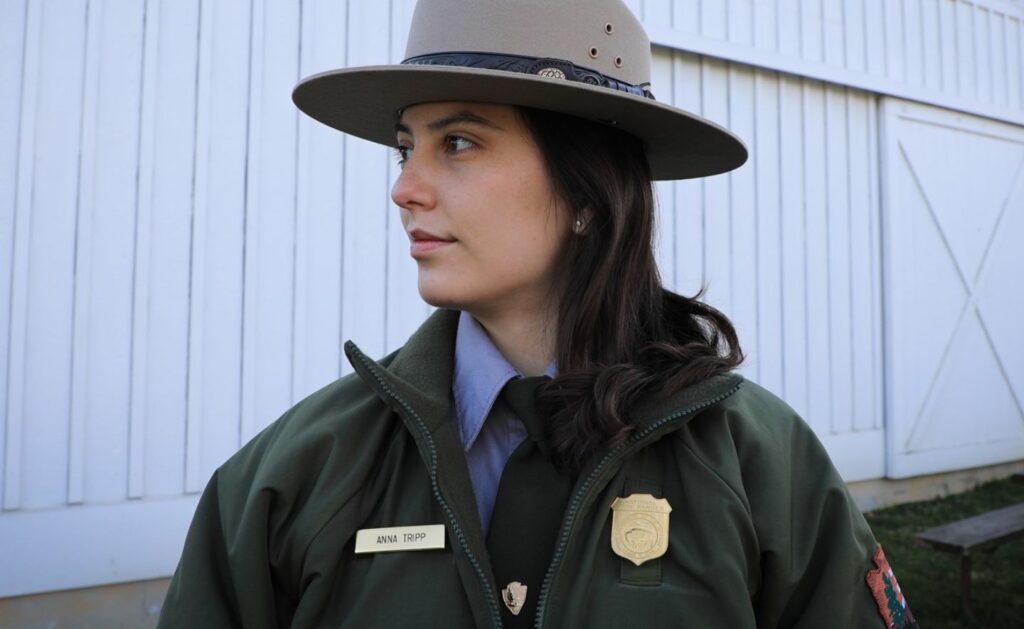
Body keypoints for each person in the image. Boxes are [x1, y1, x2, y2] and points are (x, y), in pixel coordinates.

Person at [158, 1, 917, 627]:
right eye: (404, 149)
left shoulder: (762, 469)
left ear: (587, 194)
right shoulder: (291, 478)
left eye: (457, 142)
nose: (405, 189)